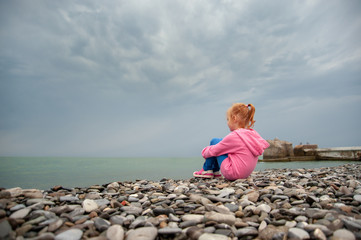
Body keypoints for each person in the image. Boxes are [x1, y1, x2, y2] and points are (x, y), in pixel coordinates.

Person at [193, 103, 269, 180]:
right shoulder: (251, 135)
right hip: (245, 174)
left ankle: (206, 170)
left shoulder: (234, 136)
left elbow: (214, 151)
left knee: (215, 141)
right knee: (220, 142)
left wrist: (204, 151)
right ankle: (215, 172)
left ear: (234, 118)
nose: (227, 122)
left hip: (232, 173)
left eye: (228, 119)